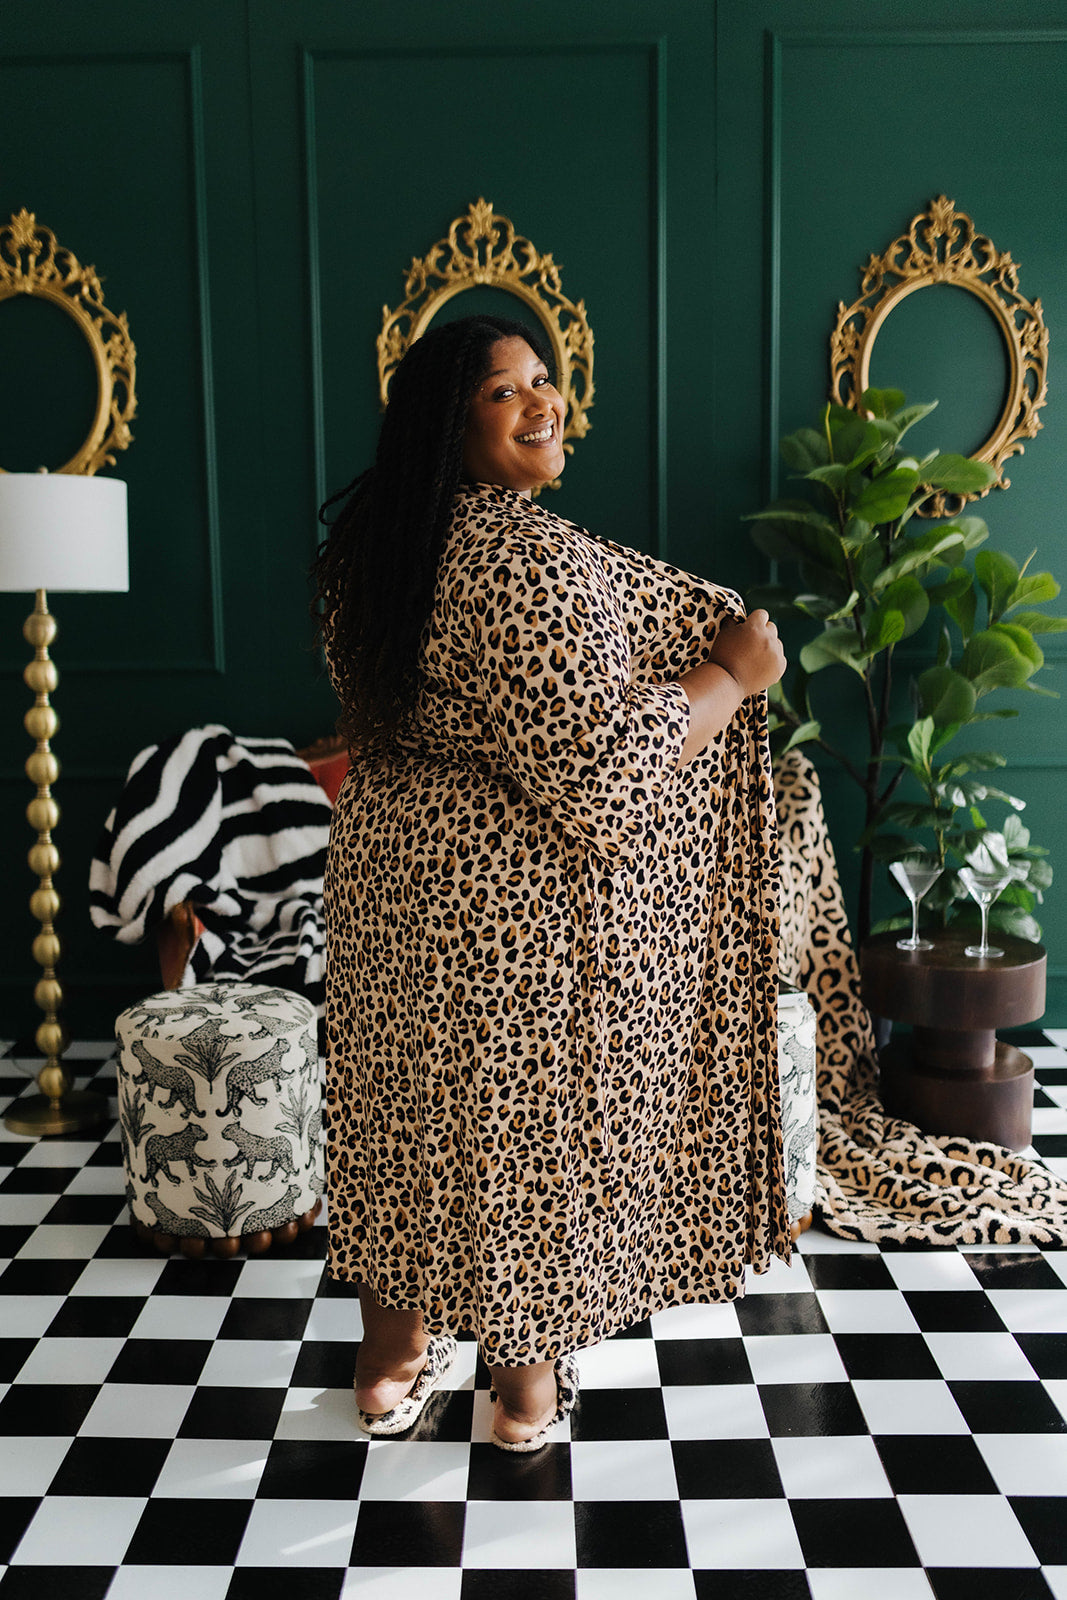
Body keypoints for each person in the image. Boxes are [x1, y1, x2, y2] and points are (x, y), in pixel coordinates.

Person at [313, 313, 789, 1451]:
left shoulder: (364, 553)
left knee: (398, 1110)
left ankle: (388, 1366)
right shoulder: (520, 558)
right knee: (516, 1131)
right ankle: (521, 1398)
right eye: (502, 391)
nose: (543, 401)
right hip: (503, 908)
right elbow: (602, 764)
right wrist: (730, 671)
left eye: (544, 379)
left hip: (385, 884)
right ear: (446, 421)